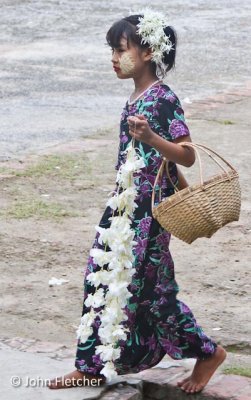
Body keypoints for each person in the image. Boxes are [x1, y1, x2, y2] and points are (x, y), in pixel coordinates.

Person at [48, 10, 226, 394]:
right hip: (123, 208)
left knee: (152, 291)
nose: (114, 57)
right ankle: (89, 365)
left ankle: (207, 353)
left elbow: (186, 154)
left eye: (121, 49)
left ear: (147, 52)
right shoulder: (133, 98)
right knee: (101, 277)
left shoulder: (163, 99)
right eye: (112, 49)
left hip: (151, 214)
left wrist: (151, 139)